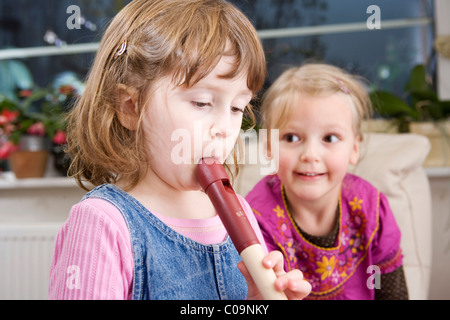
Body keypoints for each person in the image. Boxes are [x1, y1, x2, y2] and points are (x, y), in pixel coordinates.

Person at [48, 0, 311, 300]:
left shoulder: (243, 212)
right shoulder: (102, 223)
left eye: (237, 107)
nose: (224, 127)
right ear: (130, 108)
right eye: (201, 103)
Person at [246, 63, 409, 300]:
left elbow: (394, 294)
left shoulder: (372, 209)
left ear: (354, 148)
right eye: (291, 137)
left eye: (330, 138)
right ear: (269, 148)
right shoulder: (255, 218)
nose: (310, 154)